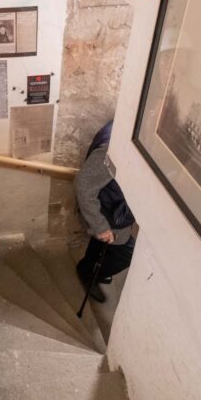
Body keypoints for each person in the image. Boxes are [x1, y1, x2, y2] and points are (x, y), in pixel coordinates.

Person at [75, 120, 136, 303]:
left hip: (110, 206)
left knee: (101, 245)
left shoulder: (120, 128)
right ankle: (89, 272)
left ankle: (88, 268)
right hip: (107, 212)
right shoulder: (115, 148)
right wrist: (100, 227)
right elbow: (84, 186)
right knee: (126, 253)